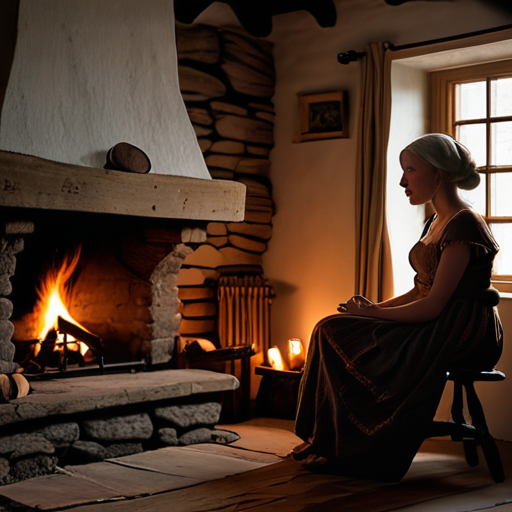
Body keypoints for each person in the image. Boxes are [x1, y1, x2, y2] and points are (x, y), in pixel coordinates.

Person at [292, 133, 503, 481]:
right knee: (330, 326)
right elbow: (420, 290)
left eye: (410, 170)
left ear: (439, 174)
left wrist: (373, 315)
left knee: (338, 334)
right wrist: (372, 308)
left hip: (463, 330)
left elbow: (434, 305)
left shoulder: (464, 224)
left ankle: (358, 447)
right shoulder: (435, 222)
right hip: (438, 321)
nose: (403, 181)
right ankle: (327, 440)